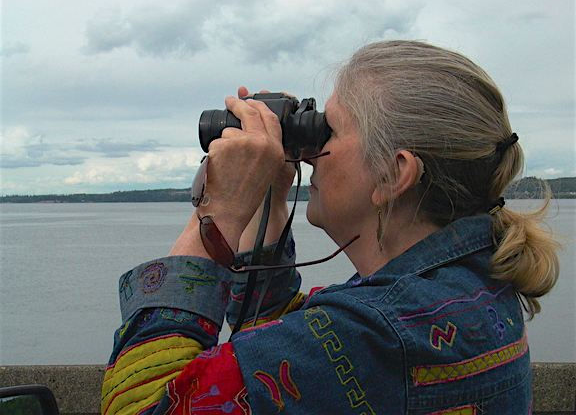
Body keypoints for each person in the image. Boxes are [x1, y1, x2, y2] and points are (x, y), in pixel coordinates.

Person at [101, 41, 559, 415]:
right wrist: (269, 198)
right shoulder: (468, 285)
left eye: (331, 131)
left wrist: (215, 212)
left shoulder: (379, 331)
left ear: (392, 174)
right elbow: (283, 349)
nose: (310, 149)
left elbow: (142, 406)